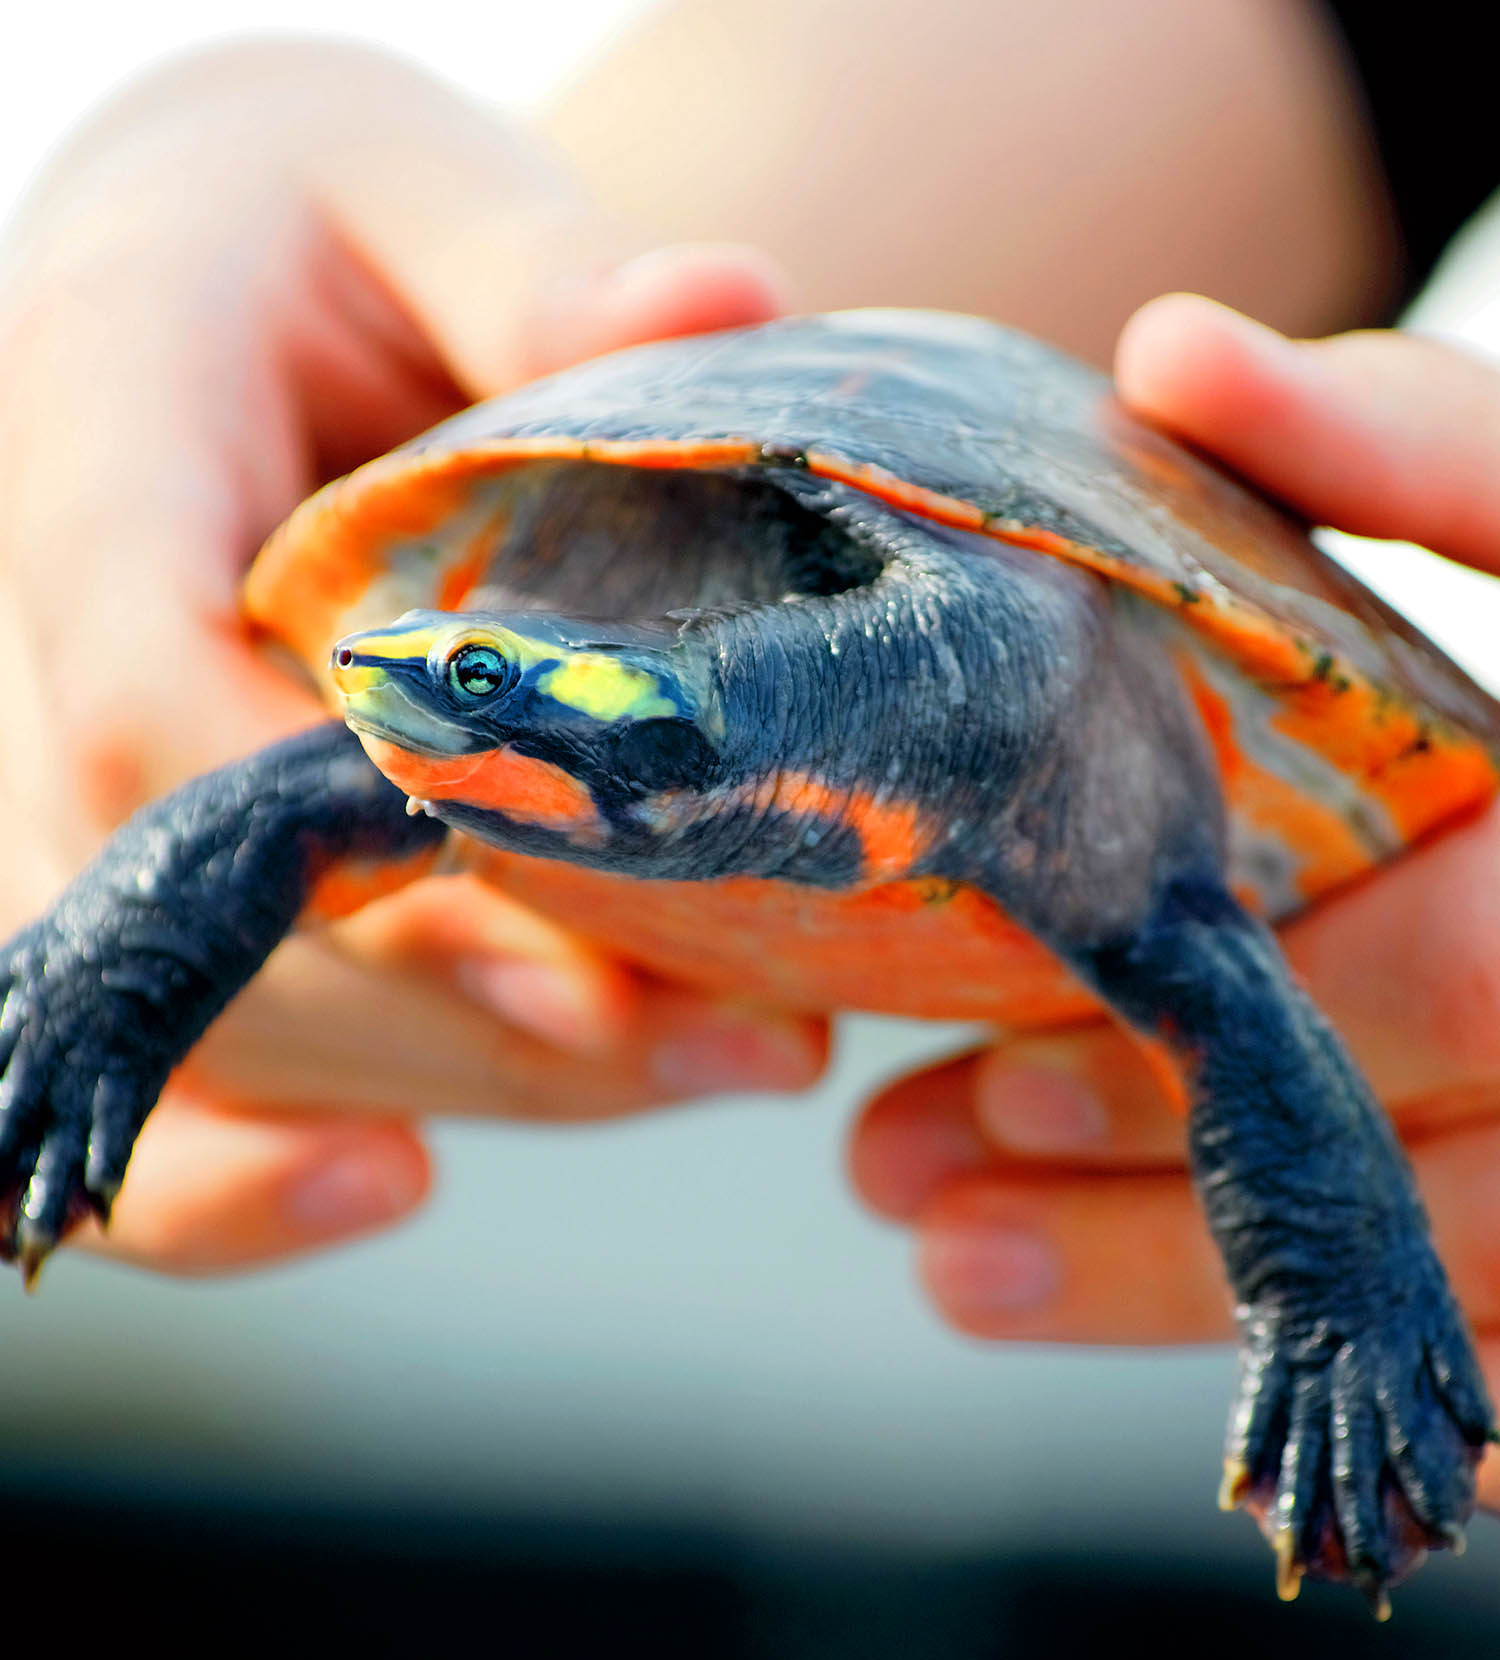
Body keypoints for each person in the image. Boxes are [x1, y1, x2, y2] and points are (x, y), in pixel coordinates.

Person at [1, 20, 1495, 1516]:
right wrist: (220, 165)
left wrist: (1339, 1302)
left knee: (1248, 1049)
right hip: (632, 652)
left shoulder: (1057, 732)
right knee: (293, 802)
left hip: (1106, 774)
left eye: (472, 682)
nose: (384, 685)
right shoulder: (502, 695)